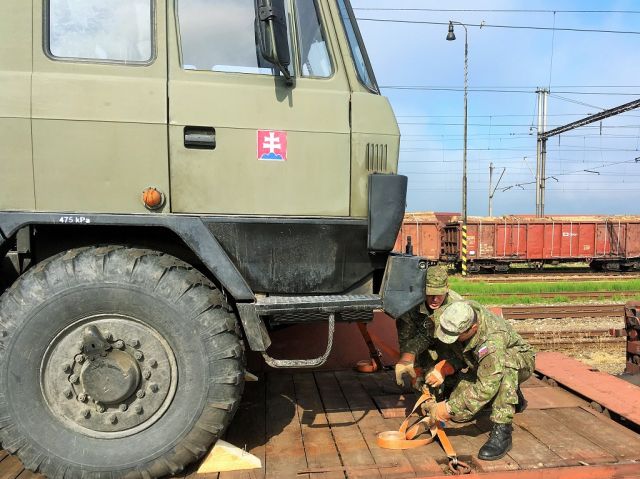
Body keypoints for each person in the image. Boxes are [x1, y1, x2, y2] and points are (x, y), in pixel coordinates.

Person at [424, 301, 535, 461]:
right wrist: (445, 367)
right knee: (459, 415)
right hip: (483, 365)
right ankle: (512, 396)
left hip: (518, 361)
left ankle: (503, 430)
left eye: (455, 336)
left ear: (473, 328)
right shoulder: (458, 312)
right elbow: (462, 350)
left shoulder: (492, 341)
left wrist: (448, 408)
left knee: (504, 370)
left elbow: (486, 386)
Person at [394, 265, 463, 389]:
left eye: (439, 293)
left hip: (449, 347)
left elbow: (465, 348)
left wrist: (446, 368)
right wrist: (412, 366)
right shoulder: (410, 306)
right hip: (419, 345)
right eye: (430, 293)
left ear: (447, 288)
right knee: (420, 384)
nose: (435, 299)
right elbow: (406, 340)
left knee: (450, 385)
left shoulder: (457, 306)